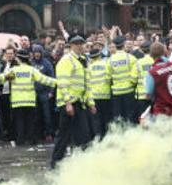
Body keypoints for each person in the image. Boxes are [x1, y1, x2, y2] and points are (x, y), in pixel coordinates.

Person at [50, 36, 95, 169]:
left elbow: (87, 84)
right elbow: (63, 83)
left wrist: (91, 103)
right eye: (77, 44)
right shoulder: (66, 60)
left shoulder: (82, 60)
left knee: (83, 135)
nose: (81, 46)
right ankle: (54, 164)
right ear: (71, 46)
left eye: (82, 44)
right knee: (64, 136)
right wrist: (68, 103)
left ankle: (82, 164)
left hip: (80, 103)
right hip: (68, 104)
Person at [9, 49, 57, 145]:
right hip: (30, 100)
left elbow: (1, 78)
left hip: (17, 101)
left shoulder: (13, 71)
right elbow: (45, 79)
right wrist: (59, 82)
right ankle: (30, 139)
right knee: (30, 121)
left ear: (18, 59)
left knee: (19, 122)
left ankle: (20, 140)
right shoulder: (32, 70)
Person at [144, 42, 172, 119]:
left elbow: (148, 95)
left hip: (162, 111)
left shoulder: (152, 72)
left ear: (150, 55)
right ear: (164, 52)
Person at [107, 36, 138, 124]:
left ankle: (120, 135)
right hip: (129, 91)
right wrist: (131, 83)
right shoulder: (131, 58)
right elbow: (135, 77)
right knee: (130, 117)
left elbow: (108, 77)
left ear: (115, 46)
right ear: (124, 45)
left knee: (118, 118)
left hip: (116, 93)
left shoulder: (110, 60)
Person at [87, 46, 112, 139]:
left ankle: (98, 138)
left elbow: (88, 83)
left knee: (96, 119)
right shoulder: (106, 65)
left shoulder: (89, 68)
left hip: (94, 97)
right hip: (106, 95)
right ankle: (107, 137)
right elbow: (109, 78)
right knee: (106, 118)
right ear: (99, 55)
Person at [30, 44, 55, 141]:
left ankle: (48, 133)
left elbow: (52, 77)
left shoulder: (47, 63)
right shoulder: (31, 63)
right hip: (33, 92)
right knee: (36, 115)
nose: (37, 54)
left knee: (47, 115)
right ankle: (37, 134)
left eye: (38, 52)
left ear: (41, 53)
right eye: (35, 52)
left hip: (44, 92)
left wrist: (51, 91)